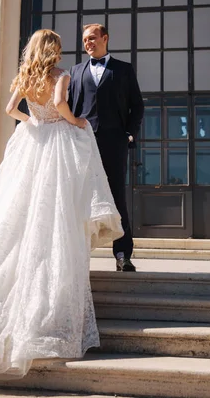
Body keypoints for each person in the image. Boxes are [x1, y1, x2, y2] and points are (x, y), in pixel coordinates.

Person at [0, 29, 123, 378]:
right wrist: (76, 121)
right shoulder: (60, 76)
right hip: (58, 145)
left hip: (33, 143)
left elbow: (9, 109)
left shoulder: (24, 75)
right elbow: (61, 105)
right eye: (59, 47)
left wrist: (33, 122)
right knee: (55, 214)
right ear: (53, 50)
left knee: (23, 212)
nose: (63, 52)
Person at [69, 24, 144, 272]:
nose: (88, 43)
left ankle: (123, 254)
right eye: (84, 40)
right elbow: (69, 108)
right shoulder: (76, 71)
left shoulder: (123, 69)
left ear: (105, 38)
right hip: (83, 143)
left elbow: (137, 105)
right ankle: (77, 254)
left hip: (114, 142)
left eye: (92, 38)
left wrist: (129, 134)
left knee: (116, 197)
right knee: (79, 198)